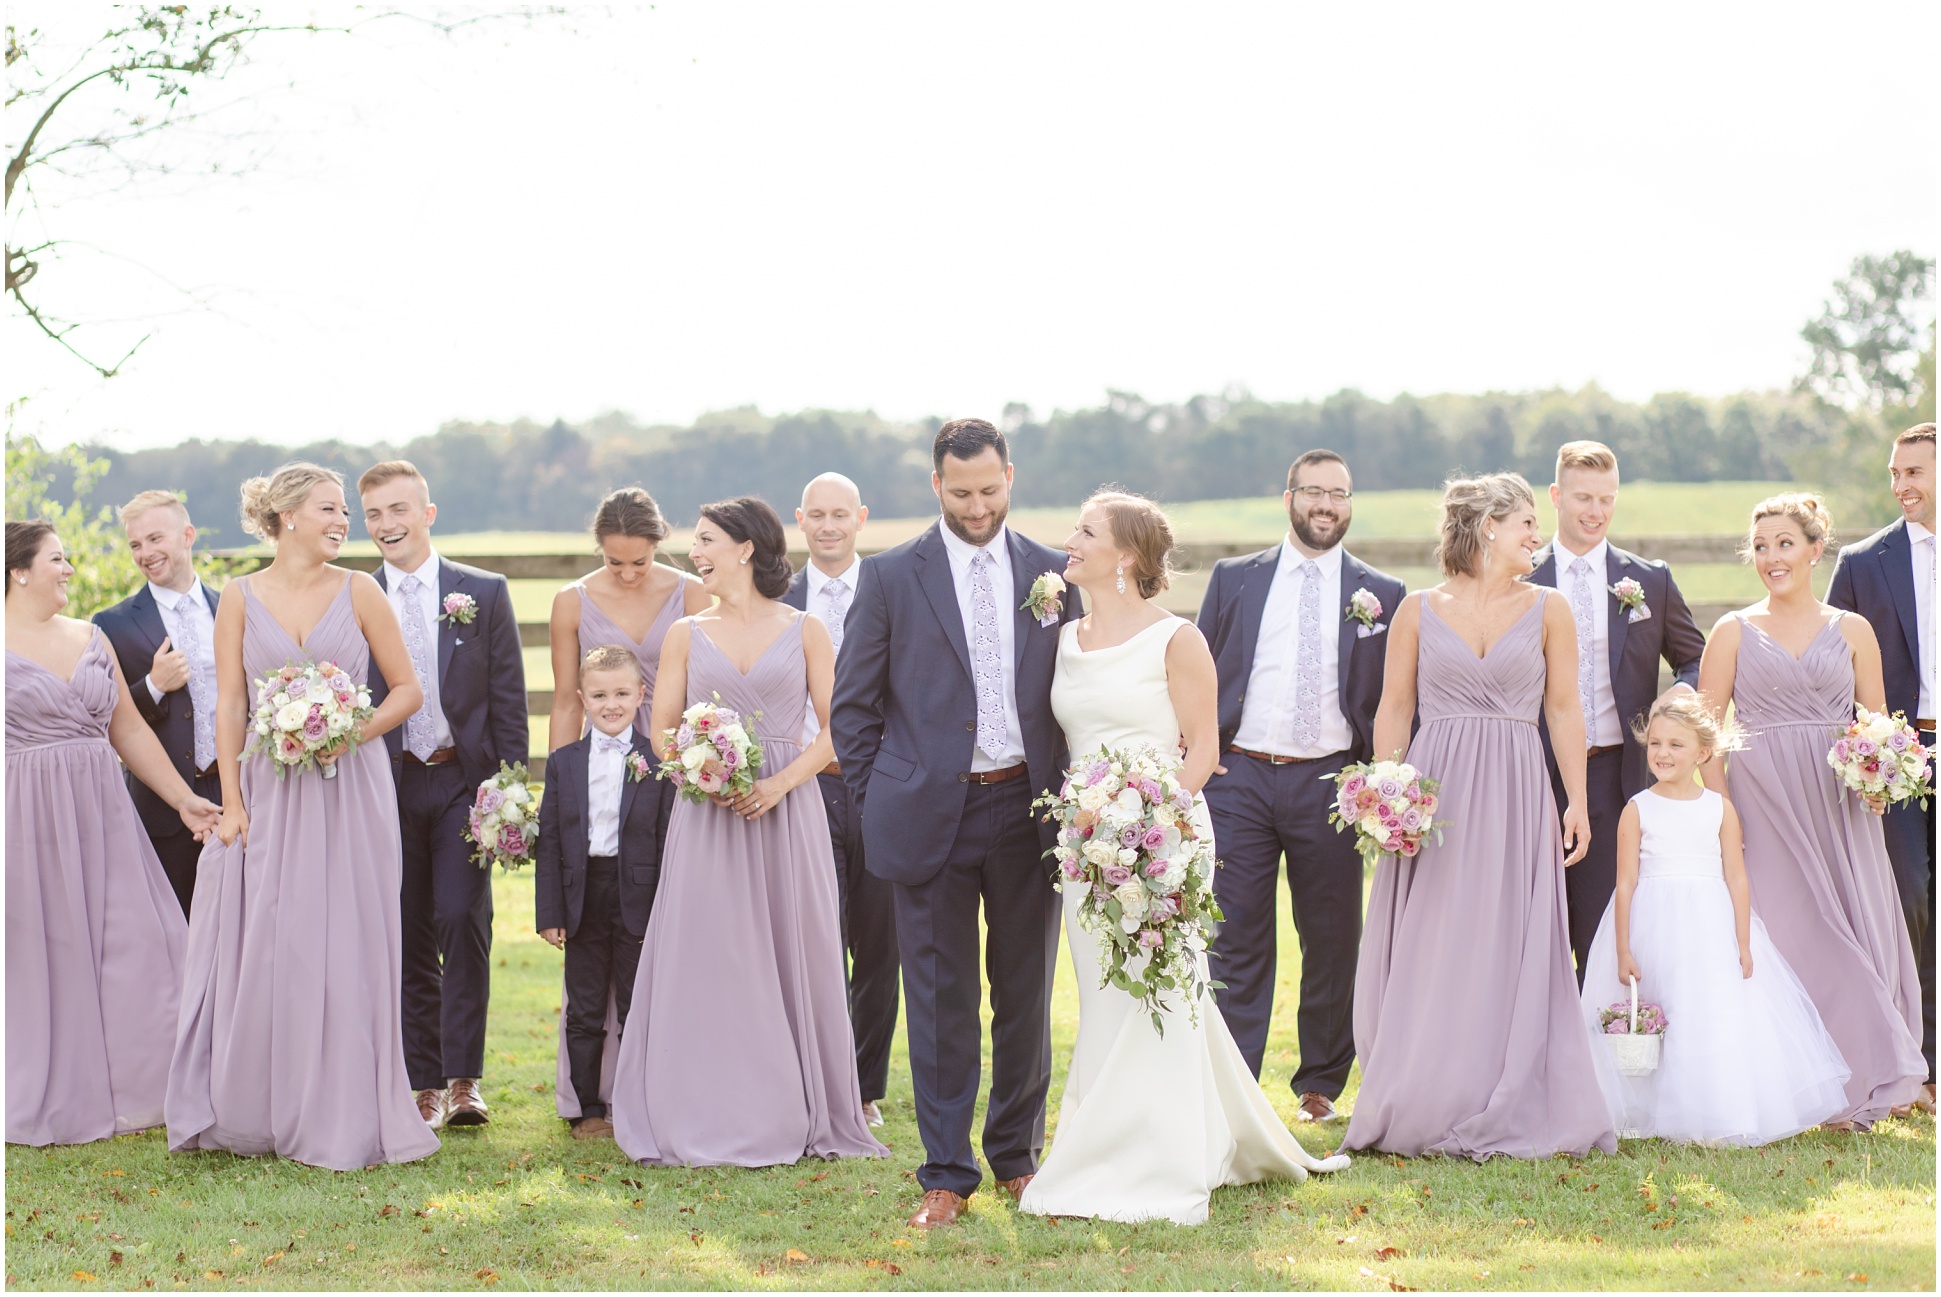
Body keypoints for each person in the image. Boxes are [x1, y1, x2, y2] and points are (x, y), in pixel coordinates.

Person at [1017, 491, 1349, 1226]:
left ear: (1126, 556)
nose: (1067, 541)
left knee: (1160, 991)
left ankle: (1165, 1156)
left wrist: (1148, 820)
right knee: (1104, 996)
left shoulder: (1177, 638)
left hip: (1163, 837)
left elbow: (1202, 748)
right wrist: (1097, 825)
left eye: (1084, 531)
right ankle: (1109, 1140)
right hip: (1084, 844)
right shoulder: (1060, 637)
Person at [831, 419, 1074, 1228]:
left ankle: (1015, 1156)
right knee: (938, 999)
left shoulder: (1051, 572)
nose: (977, 505)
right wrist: (874, 801)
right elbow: (853, 706)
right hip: (925, 810)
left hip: (1025, 805)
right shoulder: (892, 574)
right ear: (936, 486)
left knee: (1024, 993)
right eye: (961, 492)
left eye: (990, 489)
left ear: (1010, 475)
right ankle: (945, 1171)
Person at [167, 462, 439, 1170]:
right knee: (272, 936)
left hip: (351, 787)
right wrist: (231, 800)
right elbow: (229, 703)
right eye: (330, 509)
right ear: (287, 515)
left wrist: (350, 729)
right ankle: (263, 1101)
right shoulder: (237, 596)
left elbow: (408, 690)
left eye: (344, 511)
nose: (345, 522)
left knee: (347, 937)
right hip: (267, 785)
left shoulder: (361, 591)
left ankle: (345, 1105)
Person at [1342, 472, 1616, 1159]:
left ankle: (1505, 1086)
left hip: (1519, 785)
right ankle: (1423, 1087)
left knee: (1506, 933)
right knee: (1435, 936)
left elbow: (1562, 708)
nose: (1536, 535)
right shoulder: (1414, 607)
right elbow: (1394, 707)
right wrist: (1386, 791)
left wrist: (1575, 798)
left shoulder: (1550, 607)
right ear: (1488, 526)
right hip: (1435, 791)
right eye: (1526, 522)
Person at [611, 497, 885, 1168]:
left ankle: (796, 1103)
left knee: (788, 950)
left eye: (704, 540)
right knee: (710, 956)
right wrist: (702, 773)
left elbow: (837, 729)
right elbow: (661, 730)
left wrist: (779, 783)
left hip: (786, 815)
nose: (693, 552)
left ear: (745, 547)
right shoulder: (685, 633)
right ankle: (702, 1101)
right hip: (706, 818)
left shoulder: (806, 629)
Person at [1696, 492, 1925, 1130]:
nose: (1771, 557)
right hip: (1762, 804)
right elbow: (1707, 733)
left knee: (1850, 930)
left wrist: (1881, 775)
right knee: (1785, 932)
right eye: (1761, 546)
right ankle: (1789, 1084)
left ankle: (1867, 1070)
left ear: (1815, 550)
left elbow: (1877, 724)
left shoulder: (1852, 630)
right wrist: (1724, 815)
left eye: (1784, 543)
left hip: (1838, 805)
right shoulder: (1733, 630)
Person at [1194, 449, 1406, 1123]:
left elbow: (1392, 697)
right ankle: (1232, 1085)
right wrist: (1204, 750)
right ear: (1287, 497)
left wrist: (1379, 779)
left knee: (1331, 934)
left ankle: (1319, 1084)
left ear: (1349, 503)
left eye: (1338, 493)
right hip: (1240, 775)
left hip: (1331, 782)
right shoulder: (1235, 578)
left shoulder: (1383, 594)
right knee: (1236, 934)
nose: (1325, 504)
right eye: (1313, 491)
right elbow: (1196, 669)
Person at [7, 520, 218, 1146]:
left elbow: (127, 733)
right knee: (41, 953)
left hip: (102, 814)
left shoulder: (91, 636)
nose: (69, 570)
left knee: (138, 943)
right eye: (57, 559)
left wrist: (183, 801)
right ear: (18, 570)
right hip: (22, 820)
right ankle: (42, 1087)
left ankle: (147, 1085)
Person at [1579, 693, 1849, 1144]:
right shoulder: (1637, 809)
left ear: (1703, 753)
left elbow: (1737, 879)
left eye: (1676, 745)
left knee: (1707, 1011)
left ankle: (1709, 1111)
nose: (1663, 754)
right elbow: (1625, 883)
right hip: (1652, 922)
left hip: (1708, 924)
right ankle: (1642, 1111)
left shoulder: (1720, 809)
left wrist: (1742, 943)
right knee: (1657, 1008)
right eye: (1656, 744)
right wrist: (1624, 947)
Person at [359, 460, 529, 1131]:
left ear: (427, 513)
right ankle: (421, 1081)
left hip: (462, 779)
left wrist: (506, 794)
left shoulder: (481, 592)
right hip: (388, 784)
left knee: (463, 920)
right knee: (405, 928)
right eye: (373, 514)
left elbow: (510, 701)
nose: (386, 525)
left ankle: (464, 1080)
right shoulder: (356, 595)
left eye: (398, 509)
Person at [546, 486, 708, 1123]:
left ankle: (660, 1087)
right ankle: (590, 1097)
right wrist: (561, 793)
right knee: (592, 971)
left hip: (673, 768)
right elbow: (564, 698)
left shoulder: (691, 593)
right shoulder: (570, 601)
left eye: (639, 561)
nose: (628, 573)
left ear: (657, 546)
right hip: (600, 772)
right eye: (616, 562)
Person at [1526, 441, 1706, 982]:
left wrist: (1675, 703)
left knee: (1604, 927)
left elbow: (1694, 659)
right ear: (1556, 496)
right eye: (1583, 497)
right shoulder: (1518, 578)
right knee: (1533, 926)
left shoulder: (1649, 579)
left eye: (1607, 499)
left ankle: (1599, 1053)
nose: (1596, 511)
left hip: (1615, 775)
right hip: (1531, 769)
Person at [1826, 423, 1937, 1115]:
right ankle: (1919, 1062)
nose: (1899, 485)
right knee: (1912, 900)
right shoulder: (1864, 562)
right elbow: (1828, 668)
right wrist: (1857, 755)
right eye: (1893, 473)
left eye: (1913, 472)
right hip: (1896, 758)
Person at [782, 471, 898, 1128]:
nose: (828, 525)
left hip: (879, 783)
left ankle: (863, 1086)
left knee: (879, 940)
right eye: (816, 514)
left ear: (860, 517)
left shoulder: (891, 589)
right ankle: (811, 1076)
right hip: (804, 785)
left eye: (840, 514)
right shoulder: (777, 595)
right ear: (800, 519)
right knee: (813, 935)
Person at [534, 646, 664, 1141]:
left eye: (622, 693)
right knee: (585, 1010)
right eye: (600, 694)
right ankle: (587, 1108)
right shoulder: (564, 762)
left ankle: (635, 1106)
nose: (611, 704)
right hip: (582, 896)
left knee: (636, 1008)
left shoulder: (656, 760)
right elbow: (549, 838)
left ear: (640, 695)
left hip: (640, 898)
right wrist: (550, 911)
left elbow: (667, 835)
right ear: (582, 698)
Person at [93, 490, 226, 918]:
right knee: (172, 935)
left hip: (237, 798)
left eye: (155, 539)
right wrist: (153, 684)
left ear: (187, 535)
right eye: (135, 544)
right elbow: (107, 718)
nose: (145, 553)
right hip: (163, 813)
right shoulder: (112, 624)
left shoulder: (231, 609)